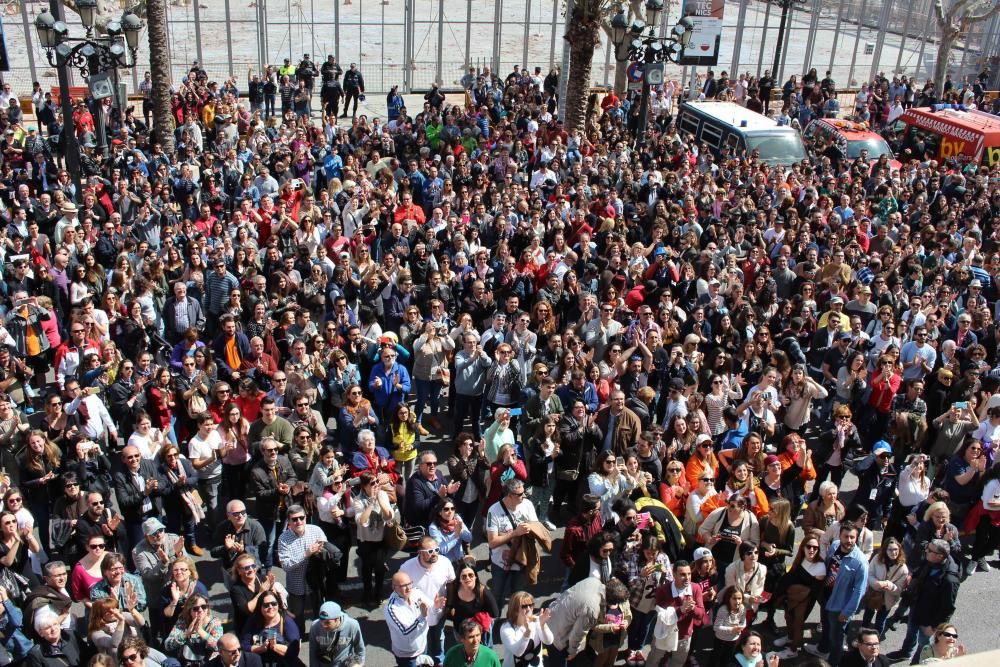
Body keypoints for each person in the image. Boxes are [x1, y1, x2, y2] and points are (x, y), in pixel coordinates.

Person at [886, 539, 961, 664]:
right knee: (910, 633)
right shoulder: (930, 560)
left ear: (940, 556)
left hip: (928, 620)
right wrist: (913, 576)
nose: (926, 551)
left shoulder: (950, 580)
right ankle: (906, 652)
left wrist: (934, 627)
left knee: (923, 644)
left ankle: (917, 663)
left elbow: (948, 608)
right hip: (917, 607)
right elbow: (920, 570)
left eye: (930, 550)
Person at [805, 520, 869, 665]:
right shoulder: (834, 546)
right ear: (839, 535)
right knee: (826, 626)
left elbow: (859, 591)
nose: (849, 540)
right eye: (846, 536)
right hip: (826, 596)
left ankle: (834, 662)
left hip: (840, 605)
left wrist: (847, 612)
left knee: (837, 637)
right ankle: (822, 648)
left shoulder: (860, 562)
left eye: (852, 537)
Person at [398, 535, 454, 665]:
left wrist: (449, 605)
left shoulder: (445, 562)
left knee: (438, 638)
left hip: (439, 613)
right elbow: (399, 589)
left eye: (436, 550)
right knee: (421, 643)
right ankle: (424, 663)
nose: (434, 554)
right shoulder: (407, 568)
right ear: (420, 553)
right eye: (430, 551)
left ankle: (439, 661)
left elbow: (451, 583)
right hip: (417, 616)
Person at [485, 478, 538, 612]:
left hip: (521, 561)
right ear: (509, 495)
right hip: (500, 563)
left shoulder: (528, 505)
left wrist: (529, 530)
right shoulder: (494, 510)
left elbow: (536, 528)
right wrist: (515, 533)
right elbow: (492, 542)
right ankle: (494, 622)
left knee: (517, 597)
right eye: (520, 494)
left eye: (524, 492)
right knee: (497, 595)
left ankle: (514, 622)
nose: (524, 496)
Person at [276, 504, 330, 622]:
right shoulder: (283, 539)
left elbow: (327, 551)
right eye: (294, 519)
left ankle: (318, 635)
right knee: (297, 616)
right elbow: (286, 566)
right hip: (296, 583)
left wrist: (321, 552)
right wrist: (306, 554)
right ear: (289, 522)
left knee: (320, 613)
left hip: (316, 582)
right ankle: (299, 638)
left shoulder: (316, 530)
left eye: (302, 518)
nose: (299, 522)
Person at [544, 575, 605, 667]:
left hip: (550, 619)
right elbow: (576, 635)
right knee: (558, 662)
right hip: (557, 637)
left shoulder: (593, 581)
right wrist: (572, 652)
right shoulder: (592, 609)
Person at [385, 571, 432, 667]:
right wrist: (422, 617)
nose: (408, 588)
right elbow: (406, 631)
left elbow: (430, 606)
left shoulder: (416, 592)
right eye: (403, 586)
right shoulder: (392, 608)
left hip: (422, 647)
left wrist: (436, 605)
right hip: (408, 656)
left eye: (409, 583)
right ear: (394, 587)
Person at [308, 601, 366, 667]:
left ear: (337, 619)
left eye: (327, 622)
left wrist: (358, 664)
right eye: (321, 621)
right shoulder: (315, 626)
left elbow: (360, 649)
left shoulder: (352, 625)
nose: (323, 625)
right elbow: (312, 652)